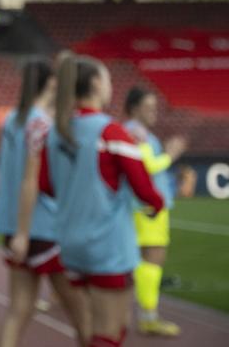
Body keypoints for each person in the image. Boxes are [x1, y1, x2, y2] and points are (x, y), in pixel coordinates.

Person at [44, 54, 166, 347]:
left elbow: (46, 186)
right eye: (108, 78)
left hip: (70, 242)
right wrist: (157, 205)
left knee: (92, 331)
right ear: (98, 84)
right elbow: (144, 187)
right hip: (107, 246)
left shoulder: (56, 133)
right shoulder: (111, 131)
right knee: (110, 332)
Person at [0, 58, 86, 347]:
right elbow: (30, 180)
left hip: (13, 223)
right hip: (43, 227)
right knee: (83, 314)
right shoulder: (41, 124)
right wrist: (25, 231)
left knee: (19, 309)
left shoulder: (12, 119)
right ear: (50, 83)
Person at [123, 87, 187, 337]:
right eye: (149, 107)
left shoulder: (136, 132)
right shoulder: (136, 132)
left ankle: (143, 314)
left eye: (155, 107)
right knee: (152, 260)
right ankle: (148, 318)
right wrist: (170, 155)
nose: (154, 113)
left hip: (142, 205)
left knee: (142, 262)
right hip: (148, 207)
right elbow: (146, 166)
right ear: (134, 108)